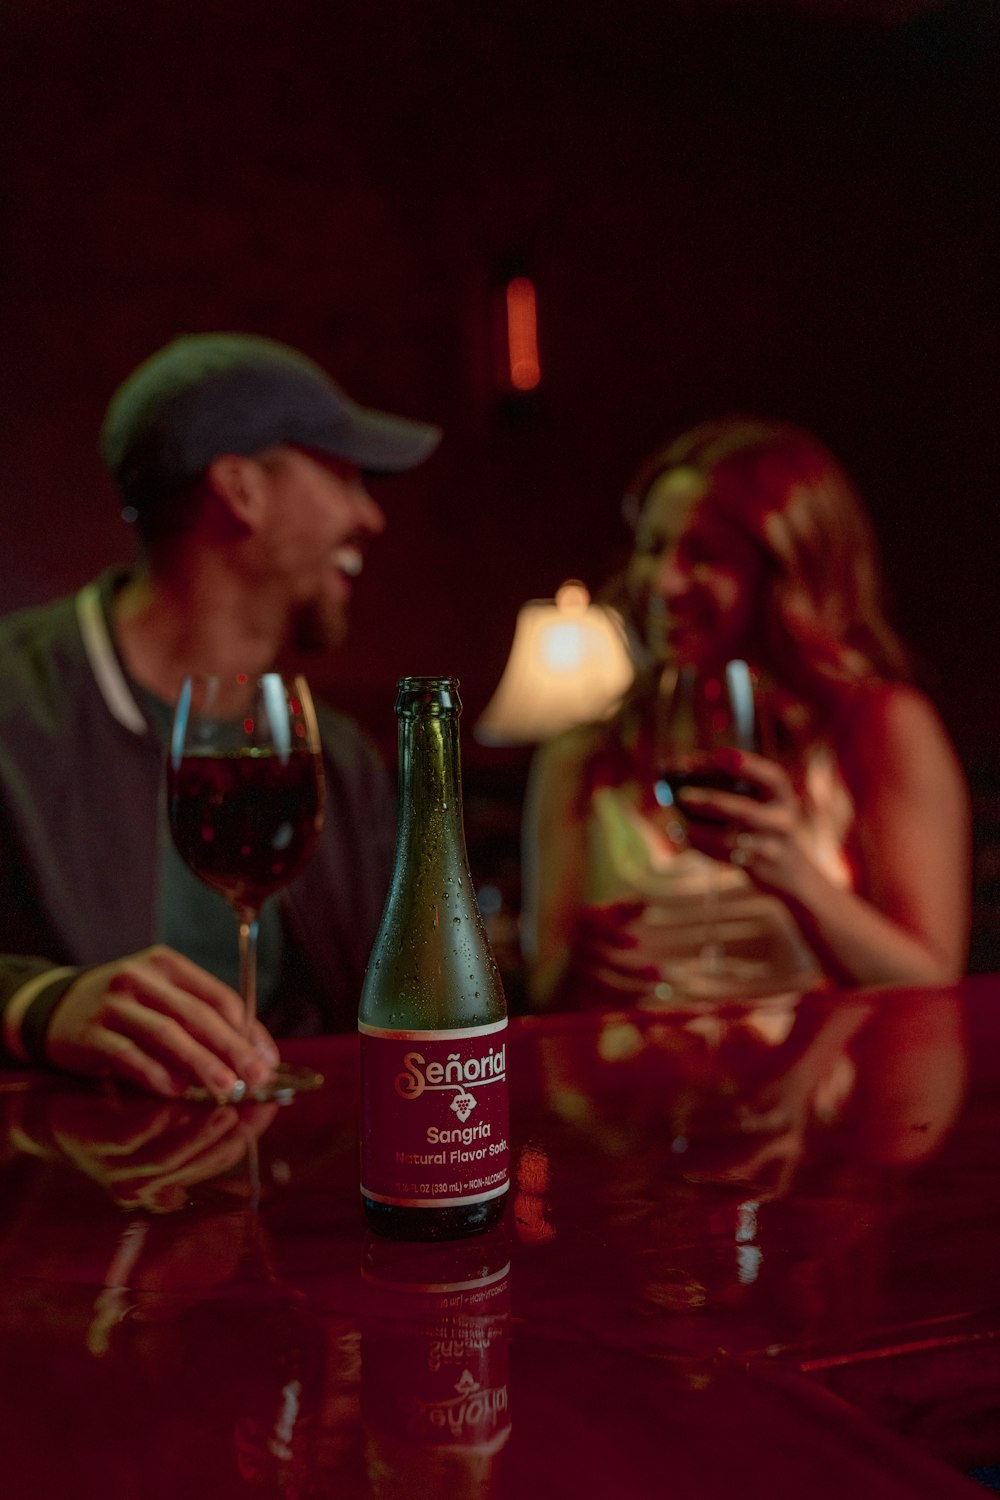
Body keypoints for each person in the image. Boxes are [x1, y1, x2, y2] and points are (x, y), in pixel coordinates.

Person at [0, 332, 441, 1096]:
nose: (369, 516)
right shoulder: (13, 704)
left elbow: (407, 1010)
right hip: (71, 1194)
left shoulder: (334, 756)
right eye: (342, 473)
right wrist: (33, 1005)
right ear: (240, 488)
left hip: (308, 1187)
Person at [522, 417, 971, 1011]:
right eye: (653, 547)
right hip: (637, 1093)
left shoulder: (880, 726)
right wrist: (587, 970)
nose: (663, 581)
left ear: (784, 575)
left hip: (811, 1097)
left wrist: (795, 876)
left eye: (702, 556)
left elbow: (933, 984)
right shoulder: (580, 757)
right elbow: (544, 996)